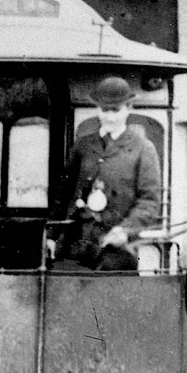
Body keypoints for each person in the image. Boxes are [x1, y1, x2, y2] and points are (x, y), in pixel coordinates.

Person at [47, 76, 161, 271]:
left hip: (116, 253)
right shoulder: (82, 145)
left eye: (115, 110)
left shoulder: (143, 149)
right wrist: (51, 235)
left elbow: (149, 201)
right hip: (75, 248)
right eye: (104, 110)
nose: (109, 116)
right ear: (97, 109)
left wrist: (125, 230)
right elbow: (63, 194)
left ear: (128, 108)